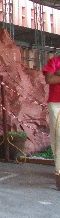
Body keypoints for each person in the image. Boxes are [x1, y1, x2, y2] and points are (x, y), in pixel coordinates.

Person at [42, 55, 60, 190]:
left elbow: (54, 78)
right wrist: (54, 75)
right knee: (58, 137)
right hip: (56, 103)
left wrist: (58, 74)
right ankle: (59, 172)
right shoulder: (54, 61)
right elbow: (49, 79)